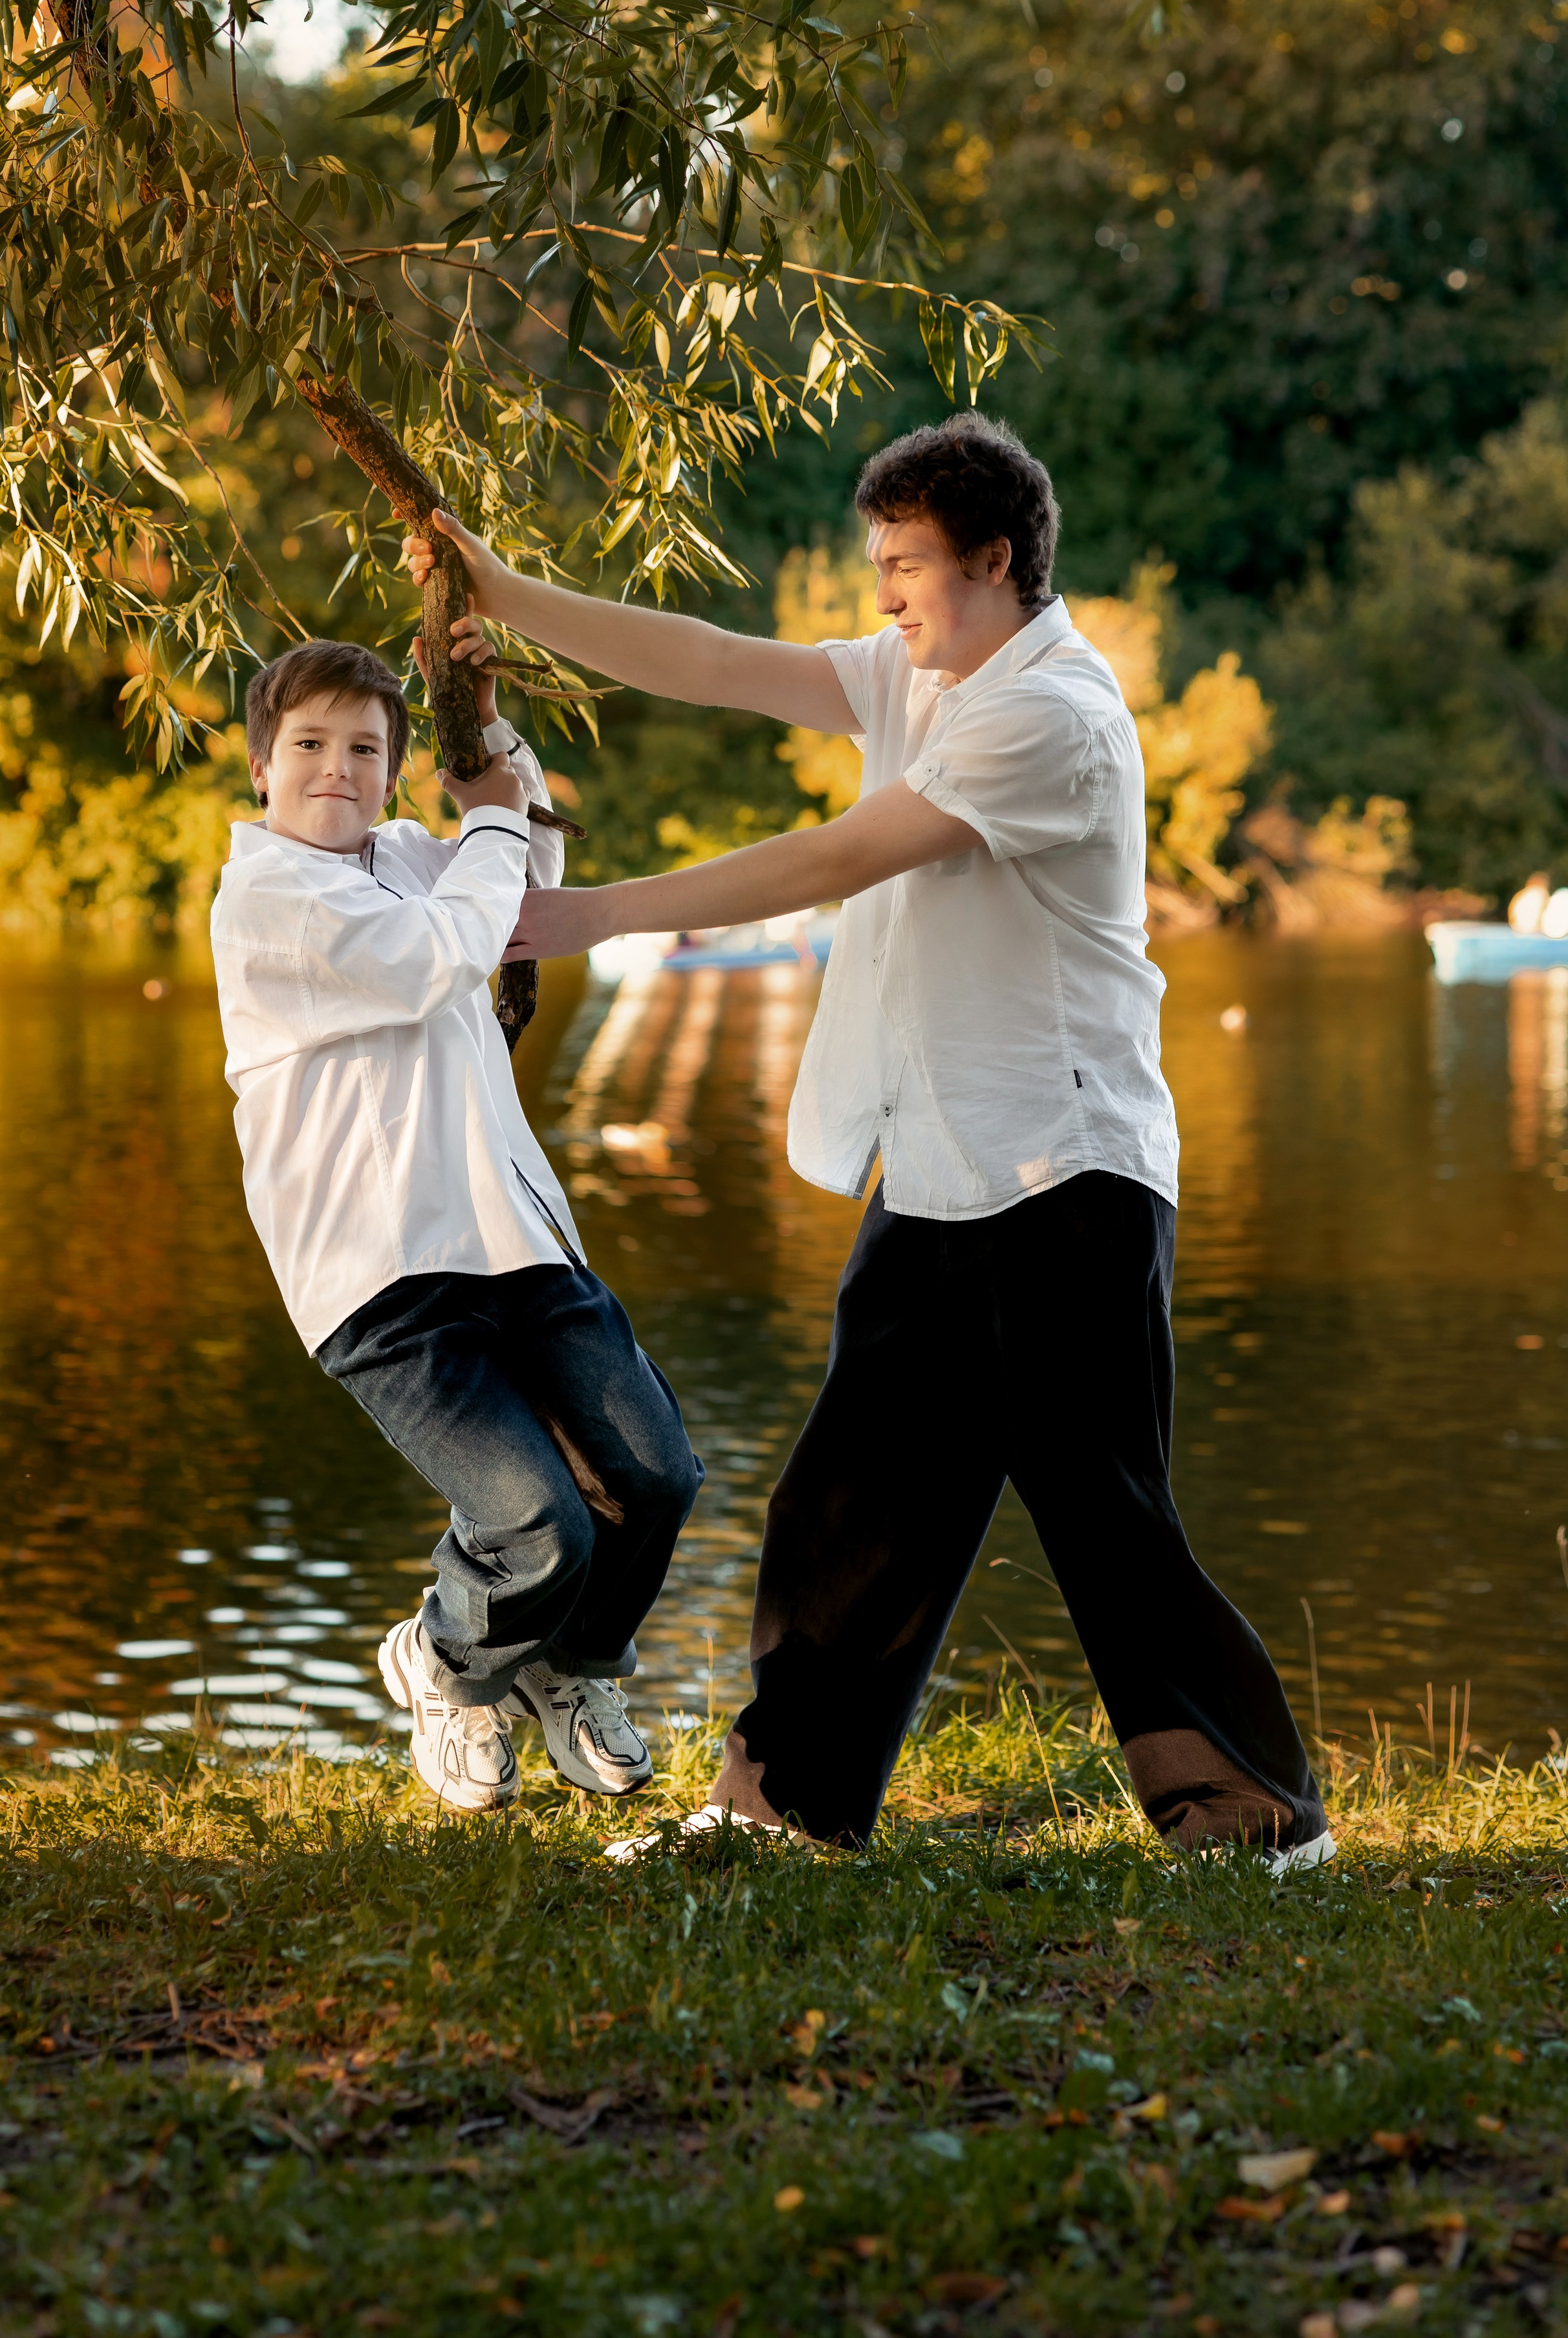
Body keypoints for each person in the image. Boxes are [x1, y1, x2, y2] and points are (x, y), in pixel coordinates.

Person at [400, 412, 1333, 1870]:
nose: (886, 592)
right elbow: (709, 661)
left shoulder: (1052, 713)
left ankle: (1257, 1819)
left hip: (1066, 1176)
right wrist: (498, 590)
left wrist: (581, 912)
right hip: (947, 1166)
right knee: (850, 1500)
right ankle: (784, 1810)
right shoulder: (922, 674)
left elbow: (833, 857)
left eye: (904, 564)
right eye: (879, 563)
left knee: (1102, 1515)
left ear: (994, 558)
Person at [209, 637, 703, 1812]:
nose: (339, 768)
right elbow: (441, 955)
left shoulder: (416, 857)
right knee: (535, 1518)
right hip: (380, 1276)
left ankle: (573, 1672)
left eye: (368, 750)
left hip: (514, 1238)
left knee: (660, 1472)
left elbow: (517, 862)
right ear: (262, 769)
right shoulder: (266, 900)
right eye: (312, 746)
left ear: (392, 773)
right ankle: (447, 1661)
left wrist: (485, 736)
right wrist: (484, 825)